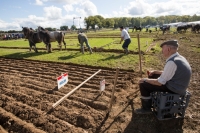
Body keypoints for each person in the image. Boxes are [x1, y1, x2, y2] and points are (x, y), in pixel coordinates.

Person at [135, 40, 192, 114]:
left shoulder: (172, 62)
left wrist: (145, 80)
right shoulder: (179, 58)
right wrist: (155, 72)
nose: (162, 51)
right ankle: (150, 96)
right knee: (154, 75)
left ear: (168, 49)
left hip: (175, 88)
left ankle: (146, 109)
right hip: (179, 85)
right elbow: (170, 73)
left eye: (163, 49)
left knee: (143, 84)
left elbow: (160, 83)